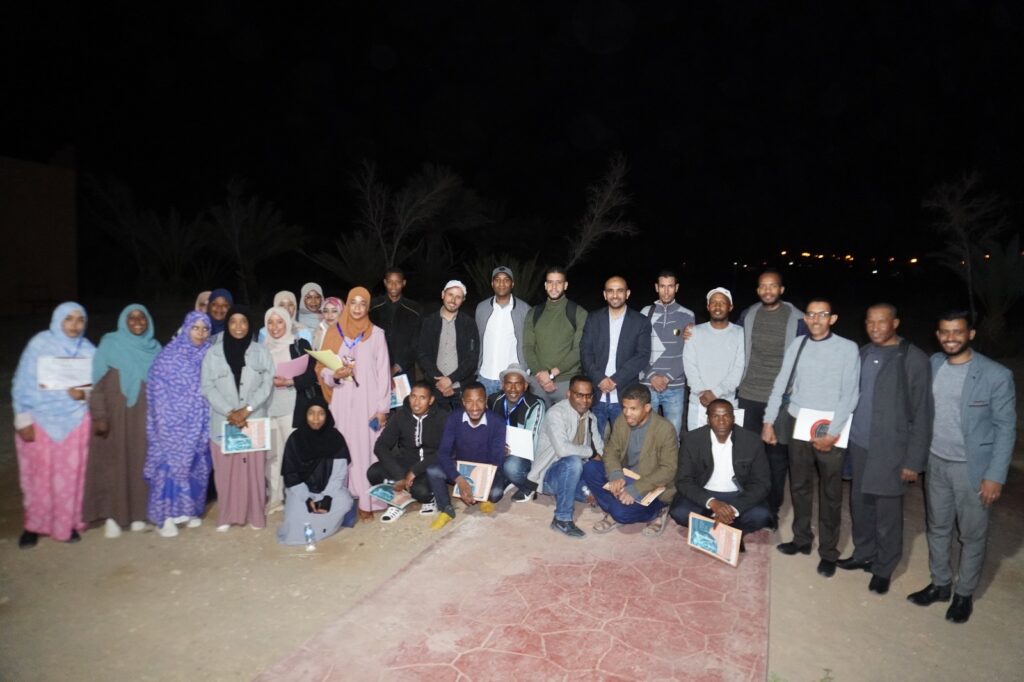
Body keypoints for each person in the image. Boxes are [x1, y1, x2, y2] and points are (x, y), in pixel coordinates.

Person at [907, 311, 1016, 624]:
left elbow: (1005, 428)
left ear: (971, 334)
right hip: (935, 461)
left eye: (957, 331)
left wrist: (995, 476)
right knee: (938, 526)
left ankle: (964, 594)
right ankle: (941, 584)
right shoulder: (934, 364)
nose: (950, 338)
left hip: (972, 468)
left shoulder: (996, 375)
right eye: (944, 332)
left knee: (972, 534)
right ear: (937, 335)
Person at [836, 304, 933, 594]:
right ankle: (863, 552)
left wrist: (913, 461)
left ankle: (884, 566)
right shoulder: (864, 353)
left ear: (895, 323)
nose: (875, 328)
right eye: (870, 322)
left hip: (891, 449)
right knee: (861, 503)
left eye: (882, 322)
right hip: (859, 444)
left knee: (887, 511)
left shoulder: (912, 358)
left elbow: (923, 413)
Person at [763, 298, 860, 577]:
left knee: (830, 492)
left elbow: (850, 393)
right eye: (811, 315)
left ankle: (828, 552)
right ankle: (802, 539)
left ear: (833, 318)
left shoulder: (847, 348)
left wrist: (832, 433)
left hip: (831, 426)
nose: (816, 319)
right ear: (804, 318)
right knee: (800, 485)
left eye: (822, 314)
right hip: (799, 422)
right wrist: (769, 421)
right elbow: (781, 383)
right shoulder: (799, 344)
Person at [13, 302, 96, 547]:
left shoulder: (88, 350)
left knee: (71, 477)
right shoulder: (39, 344)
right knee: (38, 477)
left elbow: (99, 386)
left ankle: (66, 523)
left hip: (75, 422)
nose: (74, 325)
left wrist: (84, 394)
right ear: (57, 320)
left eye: (80, 320)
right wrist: (22, 418)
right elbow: (22, 382)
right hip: (40, 420)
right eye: (68, 318)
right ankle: (33, 525)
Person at [82, 304, 162, 538]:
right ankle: (112, 516)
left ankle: (137, 514)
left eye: (142, 318)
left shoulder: (155, 348)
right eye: (132, 318)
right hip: (114, 418)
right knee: (113, 464)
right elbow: (97, 384)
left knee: (139, 462)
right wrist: (100, 415)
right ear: (123, 321)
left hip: (143, 418)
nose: (137, 322)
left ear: (148, 321)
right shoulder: (110, 344)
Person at [736, 269, 807, 526]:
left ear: (781, 289)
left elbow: (807, 355)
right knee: (747, 454)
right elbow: (731, 338)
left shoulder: (797, 319)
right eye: (763, 286)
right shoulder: (748, 315)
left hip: (781, 399)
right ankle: (747, 503)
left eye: (773, 286)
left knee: (777, 458)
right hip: (748, 395)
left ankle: (771, 508)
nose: (768, 290)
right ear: (758, 290)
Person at [316, 287, 391, 521]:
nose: (358, 308)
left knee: (366, 450)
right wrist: (335, 375)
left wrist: (382, 409)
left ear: (368, 307)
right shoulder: (333, 332)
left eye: (362, 303)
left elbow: (383, 373)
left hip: (367, 403)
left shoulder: (376, 334)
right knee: (343, 450)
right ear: (347, 305)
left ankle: (368, 501)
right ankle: (344, 500)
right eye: (353, 303)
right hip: (341, 402)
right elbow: (321, 369)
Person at [201, 306, 275, 531]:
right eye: (234, 321)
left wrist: (247, 409)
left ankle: (255, 515)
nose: (239, 326)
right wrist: (230, 412)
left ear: (249, 325)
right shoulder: (213, 353)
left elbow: (267, 383)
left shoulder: (261, 352)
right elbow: (208, 386)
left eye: (243, 321)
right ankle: (227, 516)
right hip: (224, 420)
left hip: (253, 418)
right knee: (226, 472)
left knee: (253, 470)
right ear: (227, 324)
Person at [144, 311, 215, 537]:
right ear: (186, 328)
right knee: (170, 467)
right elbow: (156, 392)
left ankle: (188, 511)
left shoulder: (209, 355)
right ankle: (164, 518)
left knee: (196, 466)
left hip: (199, 422)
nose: (200, 333)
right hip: (171, 423)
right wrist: (166, 422)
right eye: (195, 328)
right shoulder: (169, 356)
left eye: (205, 329)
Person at [581, 384, 678, 536]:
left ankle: (658, 511)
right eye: (625, 407)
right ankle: (616, 506)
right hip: (626, 475)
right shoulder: (622, 420)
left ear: (647, 408)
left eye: (633, 409)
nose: (627, 413)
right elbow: (611, 450)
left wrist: (635, 489)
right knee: (590, 468)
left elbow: (668, 470)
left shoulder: (665, 429)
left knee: (621, 513)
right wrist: (615, 474)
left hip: (651, 484)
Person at [669, 400, 773, 539]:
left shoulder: (752, 441)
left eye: (726, 416)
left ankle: (717, 523)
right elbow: (683, 480)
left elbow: (762, 483)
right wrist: (712, 502)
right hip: (704, 492)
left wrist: (734, 509)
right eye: (715, 416)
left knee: (762, 516)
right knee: (679, 512)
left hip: (738, 494)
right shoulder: (691, 440)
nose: (721, 421)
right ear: (708, 420)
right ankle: (724, 524)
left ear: (734, 418)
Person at [529, 375, 605, 538]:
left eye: (588, 396)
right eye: (579, 395)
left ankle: (577, 491)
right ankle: (561, 519)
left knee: (603, 493)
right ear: (569, 394)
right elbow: (563, 450)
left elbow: (600, 450)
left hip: (576, 473)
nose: (584, 400)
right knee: (573, 462)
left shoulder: (590, 417)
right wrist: (591, 453)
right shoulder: (556, 414)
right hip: (549, 475)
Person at [427, 382, 508, 530]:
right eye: (469, 401)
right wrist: (460, 480)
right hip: (460, 468)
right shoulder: (454, 418)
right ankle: (446, 509)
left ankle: (483, 498)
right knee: (433, 470)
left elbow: (496, 459)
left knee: (496, 494)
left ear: (486, 401)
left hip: (486, 469)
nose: (475, 407)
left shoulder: (497, 422)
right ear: (463, 402)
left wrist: (478, 488)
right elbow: (443, 452)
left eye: (479, 401)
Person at [262, 305, 319, 515]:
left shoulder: (299, 345)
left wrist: (290, 381)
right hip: (268, 409)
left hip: (293, 408)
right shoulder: (261, 349)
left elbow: (312, 374)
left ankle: (298, 497)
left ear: (287, 322)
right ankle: (275, 498)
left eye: (279, 322)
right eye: (270, 322)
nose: (275, 327)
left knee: (295, 455)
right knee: (273, 456)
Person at [580, 276, 652, 436]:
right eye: (610, 291)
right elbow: (585, 351)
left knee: (625, 445)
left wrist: (615, 380)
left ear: (627, 293)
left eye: (620, 291)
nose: (615, 295)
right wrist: (599, 379)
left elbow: (642, 355)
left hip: (625, 396)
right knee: (592, 444)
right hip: (596, 394)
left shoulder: (641, 322)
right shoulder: (593, 318)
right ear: (604, 294)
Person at [277, 400, 355, 545]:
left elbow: (338, 473)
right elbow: (291, 474)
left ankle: (324, 526)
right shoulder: (295, 439)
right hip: (301, 491)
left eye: (321, 413)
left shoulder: (335, 438)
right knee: (296, 522)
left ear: (327, 416)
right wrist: (307, 498)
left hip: (329, 490)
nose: (316, 418)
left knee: (344, 502)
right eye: (311, 413)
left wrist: (327, 497)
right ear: (304, 415)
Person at [369, 380, 449, 522]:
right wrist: (399, 475)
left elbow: (446, 450)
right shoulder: (401, 416)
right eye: (413, 396)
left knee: (420, 492)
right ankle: (397, 502)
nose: (416, 402)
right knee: (374, 472)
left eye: (422, 398)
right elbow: (380, 446)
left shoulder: (442, 417)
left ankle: (430, 498)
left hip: (429, 465)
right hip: (405, 463)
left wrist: (415, 471)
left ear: (431, 400)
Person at [522, 266, 588, 406]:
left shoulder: (578, 313)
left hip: (566, 383)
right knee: (537, 419)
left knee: (566, 419)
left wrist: (551, 374)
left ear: (565, 285)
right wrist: (541, 374)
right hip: (538, 382)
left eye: (558, 282)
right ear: (545, 285)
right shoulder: (534, 313)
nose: (554, 287)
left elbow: (578, 350)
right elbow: (528, 347)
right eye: (550, 282)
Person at [682, 287, 745, 432]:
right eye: (714, 302)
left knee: (727, 444)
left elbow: (739, 368)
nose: (717, 306)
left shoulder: (740, 333)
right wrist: (701, 392)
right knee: (697, 443)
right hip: (699, 401)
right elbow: (689, 364)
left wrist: (716, 392)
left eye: (722, 303)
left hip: (727, 402)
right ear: (708, 306)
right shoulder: (694, 332)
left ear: (730, 307)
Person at [640, 270, 695, 436]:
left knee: (672, 436)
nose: (666, 291)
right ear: (656, 287)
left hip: (675, 387)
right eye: (662, 286)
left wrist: (666, 378)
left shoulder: (687, 315)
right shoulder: (645, 313)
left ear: (676, 288)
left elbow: (688, 353)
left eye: (670, 286)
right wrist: (652, 376)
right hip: (648, 385)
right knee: (646, 436)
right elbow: (639, 349)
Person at [416, 280, 479, 409]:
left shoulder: (469, 324)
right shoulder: (429, 322)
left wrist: (450, 380)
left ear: (463, 300)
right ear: (443, 294)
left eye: (458, 297)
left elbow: (472, 358)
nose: (453, 300)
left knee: (461, 422)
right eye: (450, 295)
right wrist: (440, 382)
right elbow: (422, 354)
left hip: (460, 388)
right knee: (437, 422)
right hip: (435, 387)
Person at [488, 363, 545, 502]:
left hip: (522, 457)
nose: (513, 389)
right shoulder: (493, 400)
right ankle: (509, 478)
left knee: (512, 467)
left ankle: (528, 486)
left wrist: (510, 451)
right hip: (499, 454)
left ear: (525, 386)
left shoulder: (535, 404)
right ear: (502, 385)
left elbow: (532, 443)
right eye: (508, 383)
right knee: (493, 495)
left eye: (518, 384)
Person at [475, 266, 530, 397]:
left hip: (512, 378)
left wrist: (526, 370)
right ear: (492, 284)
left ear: (512, 284)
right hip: (485, 376)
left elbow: (529, 342)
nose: (501, 283)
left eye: (506, 280)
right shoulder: (481, 308)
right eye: (497, 280)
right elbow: (477, 339)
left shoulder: (525, 309)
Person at [369, 268, 422, 377]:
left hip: (404, 371)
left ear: (403, 283)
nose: (393, 286)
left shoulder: (415, 309)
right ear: (385, 282)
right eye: (390, 282)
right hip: (376, 368)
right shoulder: (373, 307)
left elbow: (417, 343)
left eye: (397, 282)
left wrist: (397, 367)